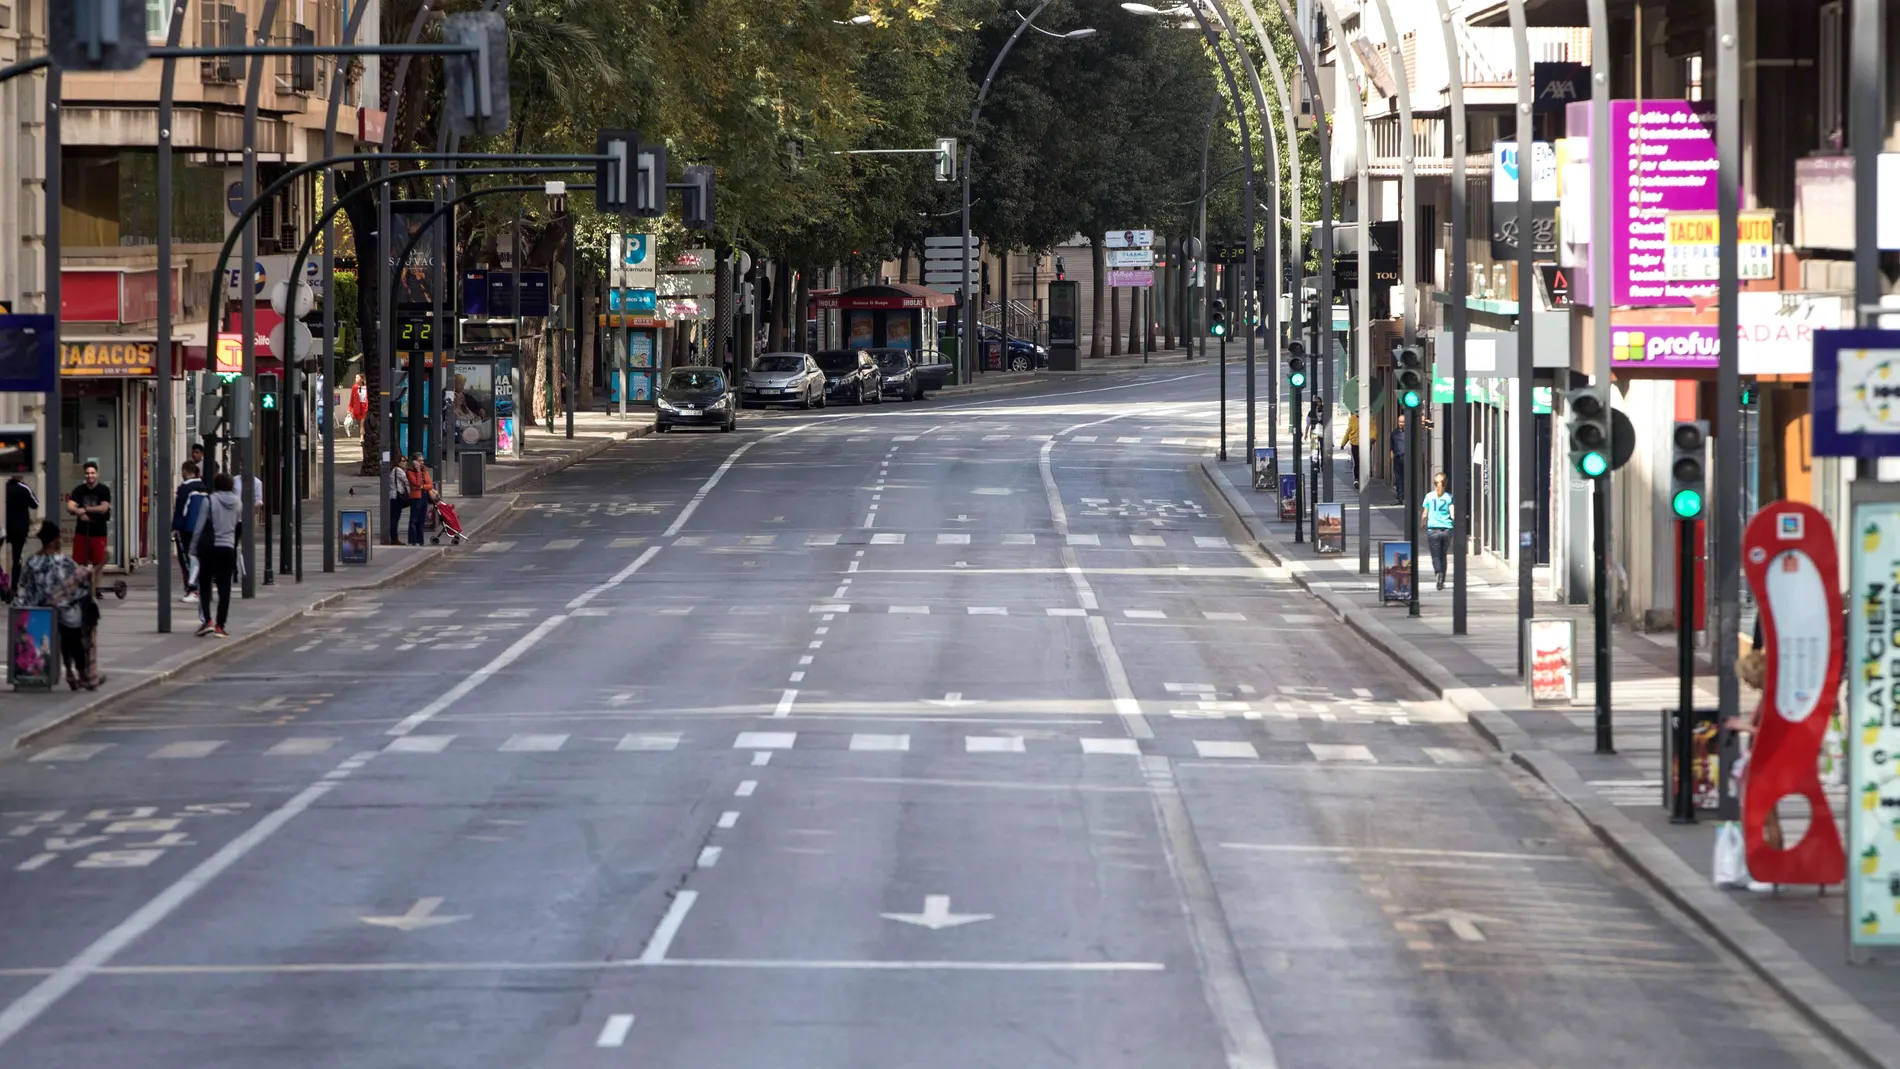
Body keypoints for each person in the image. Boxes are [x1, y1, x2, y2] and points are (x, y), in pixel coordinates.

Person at [11, 520, 102, 689]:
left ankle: (69, 672)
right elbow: (78, 583)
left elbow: (24, 586)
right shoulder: (62, 561)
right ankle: (80, 673)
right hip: (62, 612)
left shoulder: (32, 561)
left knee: (65, 620)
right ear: (54, 541)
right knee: (73, 627)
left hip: (37, 611)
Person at [191, 472, 242, 638]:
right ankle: (221, 625)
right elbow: (236, 524)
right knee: (224, 588)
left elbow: (199, 527)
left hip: (210, 548)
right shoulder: (237, 503)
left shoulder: (209, 500)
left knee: (204, 586)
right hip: (227, 548)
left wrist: (193, 548)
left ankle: (208, 621)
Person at [65, 461, 110, 600]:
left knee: (99, 561)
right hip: (82, 532)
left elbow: (104, 508)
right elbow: (70, 506)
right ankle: (80, 589)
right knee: (79, 563)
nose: (90, 476)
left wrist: (85, 509)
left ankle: (95, 589)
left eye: (92, 473)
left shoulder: (103, 490)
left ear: (97, 474)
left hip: (98, 532)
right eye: (87, 473)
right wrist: (78, 512)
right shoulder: (79, 490)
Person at [170, 460, 208, 601]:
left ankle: (192, 589)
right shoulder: (204, 487)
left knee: (185, 559)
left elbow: (181, 510)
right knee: (197, 559)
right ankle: (198, 588)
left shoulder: (185, 489)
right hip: (201, 529)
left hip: (186, 529)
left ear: (185, 471)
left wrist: (175, 527)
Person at [1421, 471, 1455, 591]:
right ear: (1445, 483)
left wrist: (1422, 524)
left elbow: (1425, 514)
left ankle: (1438, 573)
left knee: (1435, 555)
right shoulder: (1449, 497)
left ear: (1434, 483)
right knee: (1443, 555)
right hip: (1446, 529)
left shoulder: (1429, 496)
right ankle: (1443, 578)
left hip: (1433, 529)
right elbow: (1452, 514)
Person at [5, 473, 38, 583]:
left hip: (5, 527)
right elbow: (35, 503)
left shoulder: (5, 487)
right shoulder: (24, 488)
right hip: (20, 529)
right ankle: (14, 587)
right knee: (17, 559)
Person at [407, 453, 434, 546]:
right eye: (419, 461)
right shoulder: (410, 472)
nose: (421, 462)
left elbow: (430, 484)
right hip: (416, 497)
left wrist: (423, 487)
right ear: (414, 462)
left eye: (422, 460)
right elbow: (417, 483)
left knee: (422, 519)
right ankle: (413, 540)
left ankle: (420, 540)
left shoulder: (425, 470)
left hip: (424, 496)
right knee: (414, 519)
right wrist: (418, 471)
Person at [387, 459, 410, 545]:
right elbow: (407, 480)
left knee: (394, 518)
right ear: (398, 462)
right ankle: (394, 539)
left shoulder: (393, 470)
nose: (406, 463)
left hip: (393, 496)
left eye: (406, 461)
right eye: (403, 461)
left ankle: (394, 538)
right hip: (397, 497)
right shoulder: (398, 470)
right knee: (395, 518)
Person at [1390, 414, 1407, 503]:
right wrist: (1392, 453)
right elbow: (1392, 445)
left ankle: (1407, 497)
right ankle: (1399, 498)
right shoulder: (1394, 433)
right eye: (1400, 422)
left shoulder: (1409, 433)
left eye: (1403, 422)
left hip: (1407, 458)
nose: (1401, 424)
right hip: (1397, 458)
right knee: (1398, 479)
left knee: (1407, 478)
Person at [348, 373, 369, 438]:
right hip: (357, 408)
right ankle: (364, 436)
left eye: (357, 377)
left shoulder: (367, 387)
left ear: (362, 379)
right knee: (360, 425)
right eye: (355, 377)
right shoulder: (355, 387)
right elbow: (352, 398)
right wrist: (349, 409)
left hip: (364, 407)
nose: (355, 379)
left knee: (362, 424)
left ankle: (362, 437)